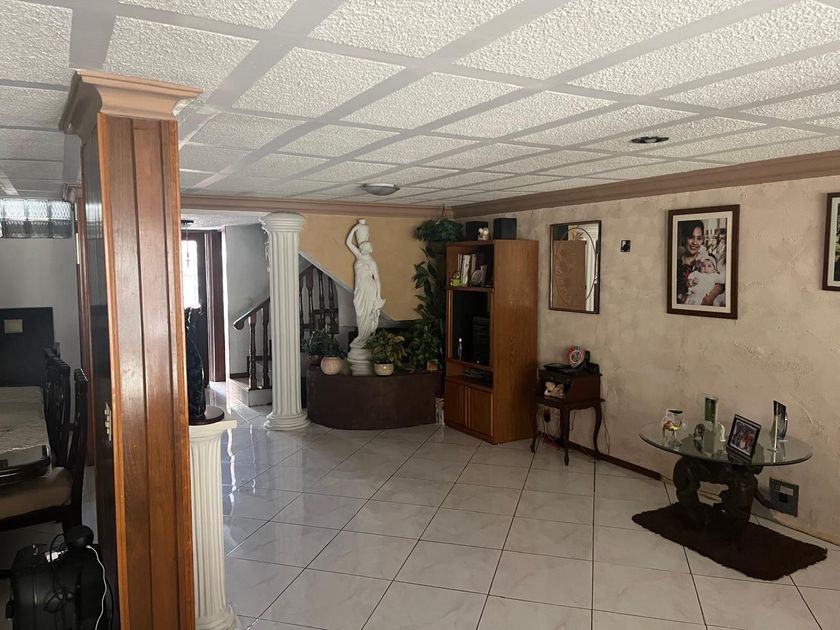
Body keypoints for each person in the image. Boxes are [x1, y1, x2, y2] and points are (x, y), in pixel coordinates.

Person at [346, 221, 385, 350]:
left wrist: (378, 296)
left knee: (367, 313)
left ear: (370, 249)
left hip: (369, 288)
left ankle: (365, 338)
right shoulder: (359, 256)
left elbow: (377, 279)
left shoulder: (372, 262)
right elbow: (348, 243)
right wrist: (355, 228)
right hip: (359, 289)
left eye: (364, 248)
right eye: (361, 247)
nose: (362, 249)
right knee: (359, 311)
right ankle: (361, 336)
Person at [676, 220, 724, 306]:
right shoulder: (677, 264)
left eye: (699, 238)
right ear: (684, 238)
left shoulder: (708, 258)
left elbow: (720, 282)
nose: (695, 242)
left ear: (702, 240)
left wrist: (711, 295)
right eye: (691, 237)